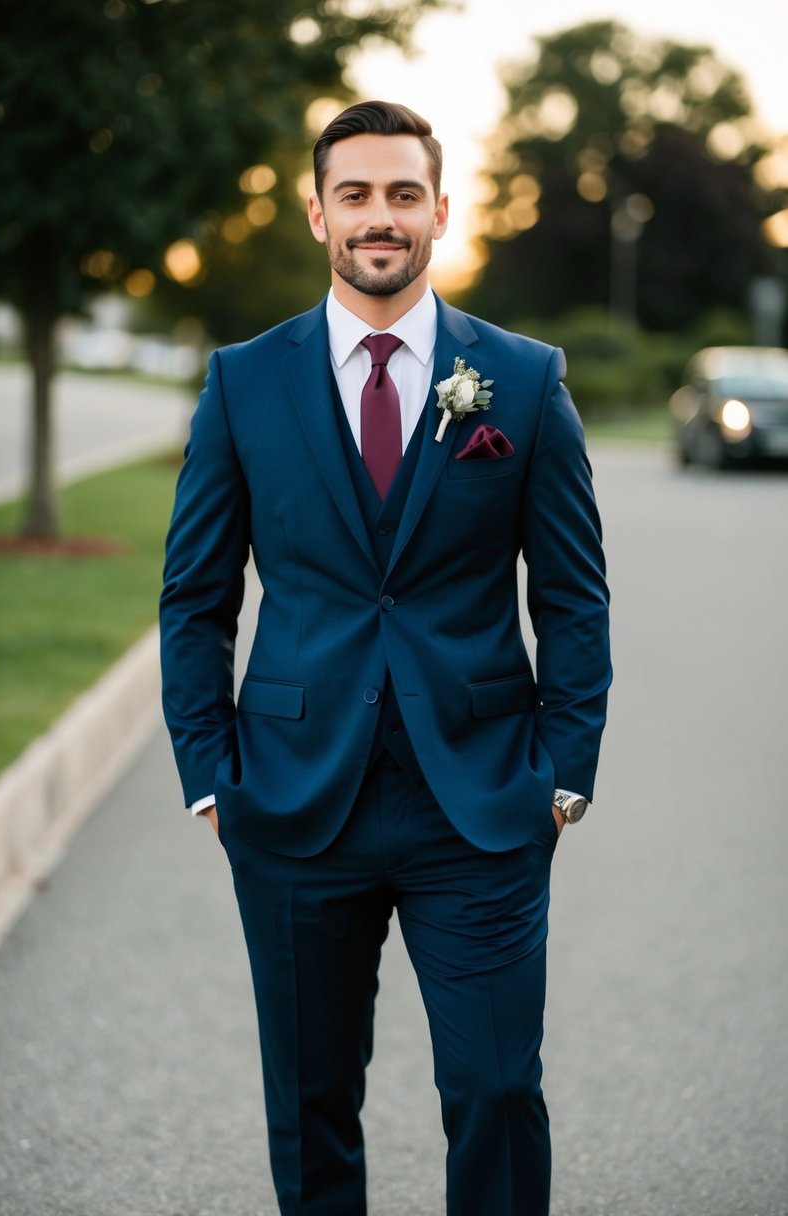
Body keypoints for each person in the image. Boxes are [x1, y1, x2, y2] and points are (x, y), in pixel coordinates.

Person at [160, 99, 611, 1216]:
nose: (379, 216)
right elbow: (195, 600)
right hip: (293, 799)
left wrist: (560, 774)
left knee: (499, 1088)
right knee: (310, 1108)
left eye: (402, 194)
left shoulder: (520, 379)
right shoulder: (243, 382)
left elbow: (573, 598)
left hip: (481, 801)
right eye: (354, 194)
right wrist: (212, 779)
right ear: (317, 214)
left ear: (441, 211)